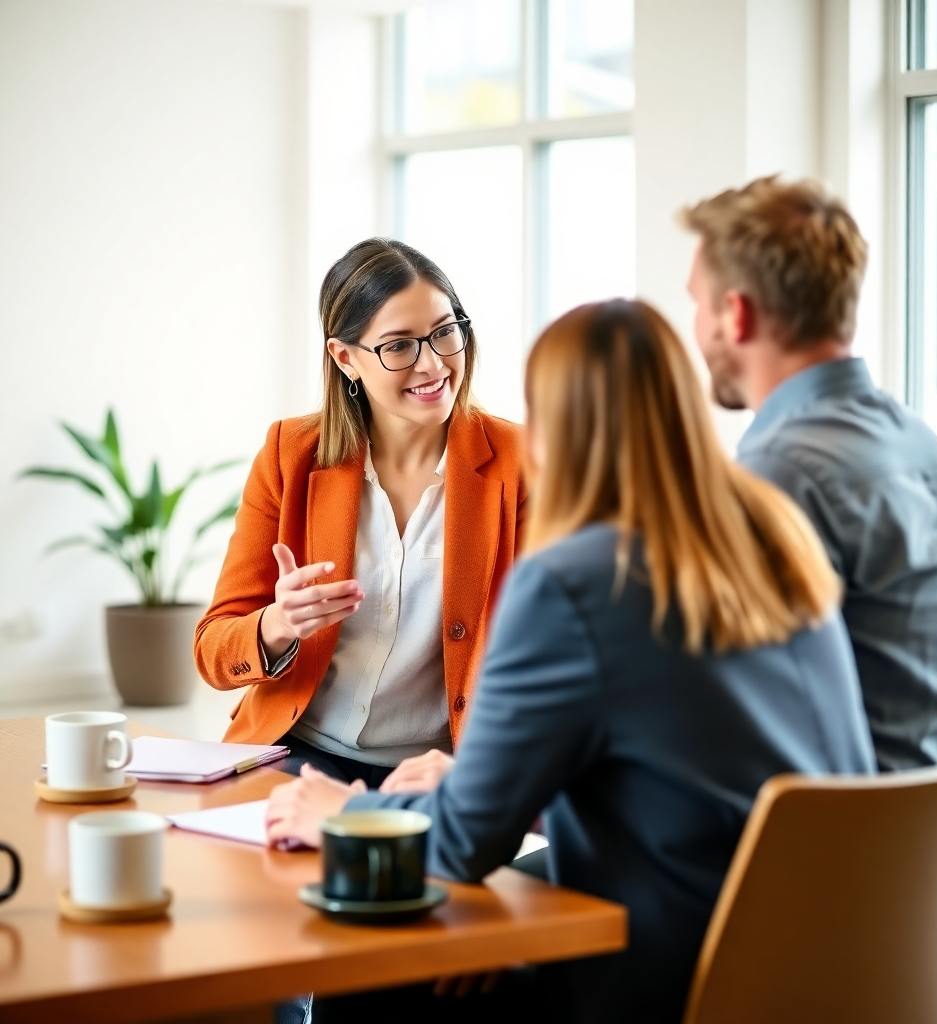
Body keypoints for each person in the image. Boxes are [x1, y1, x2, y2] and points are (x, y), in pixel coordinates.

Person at [266, 299, 876, 1023]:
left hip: (669, 970)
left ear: (555, 426)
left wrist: (350, 810)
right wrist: (473, 781)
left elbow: (463, 845)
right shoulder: (774, 535)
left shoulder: (575, 579)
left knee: (373, 960)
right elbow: (675, 758)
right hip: (817, 954)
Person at [680, 176, 937, 777]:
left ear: (736, 314)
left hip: (829, 855)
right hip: (933, 858)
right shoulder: (922, 446)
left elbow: (724, 726)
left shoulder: (782, 474)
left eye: (698, 302)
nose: (695, 327)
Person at [194, 238, 525, 786]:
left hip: (435, 773)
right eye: (399, 346)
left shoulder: (521, 465)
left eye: (446, 331)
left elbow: (552, 657)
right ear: (345, 357)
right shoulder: (289, 454)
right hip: (296, 752)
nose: (434, 363)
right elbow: (213, 646)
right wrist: (279, 625)